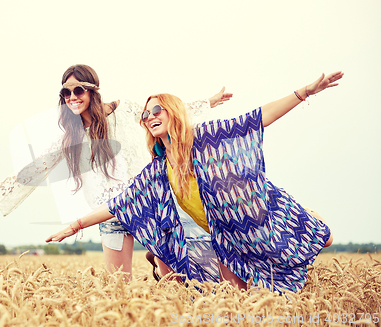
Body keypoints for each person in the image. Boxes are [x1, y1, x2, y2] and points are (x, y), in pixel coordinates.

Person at [46, 71, 343, 294]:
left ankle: (309, 216)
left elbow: (256, 119)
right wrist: (75, 226)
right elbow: (119, 204)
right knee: (237, 300)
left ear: (173, 113)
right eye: (145, 114)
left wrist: (305, 91)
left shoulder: (204, 138)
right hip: (226, 238)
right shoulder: (159, 169)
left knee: (322, 239)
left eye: (157, 110)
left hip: (259, 215)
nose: (149, 116)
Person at [0, 64, 232, 281]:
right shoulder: (69, 139)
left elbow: (167, 114)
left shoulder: (126, 111)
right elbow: (32, 171)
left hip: (148, 204)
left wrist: (209, 101)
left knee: (175, 281)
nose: (72, 97)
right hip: (109, 212)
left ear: (93, 90)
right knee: (117, 289)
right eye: (66, 92)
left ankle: (160, 267)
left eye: (78, 90)